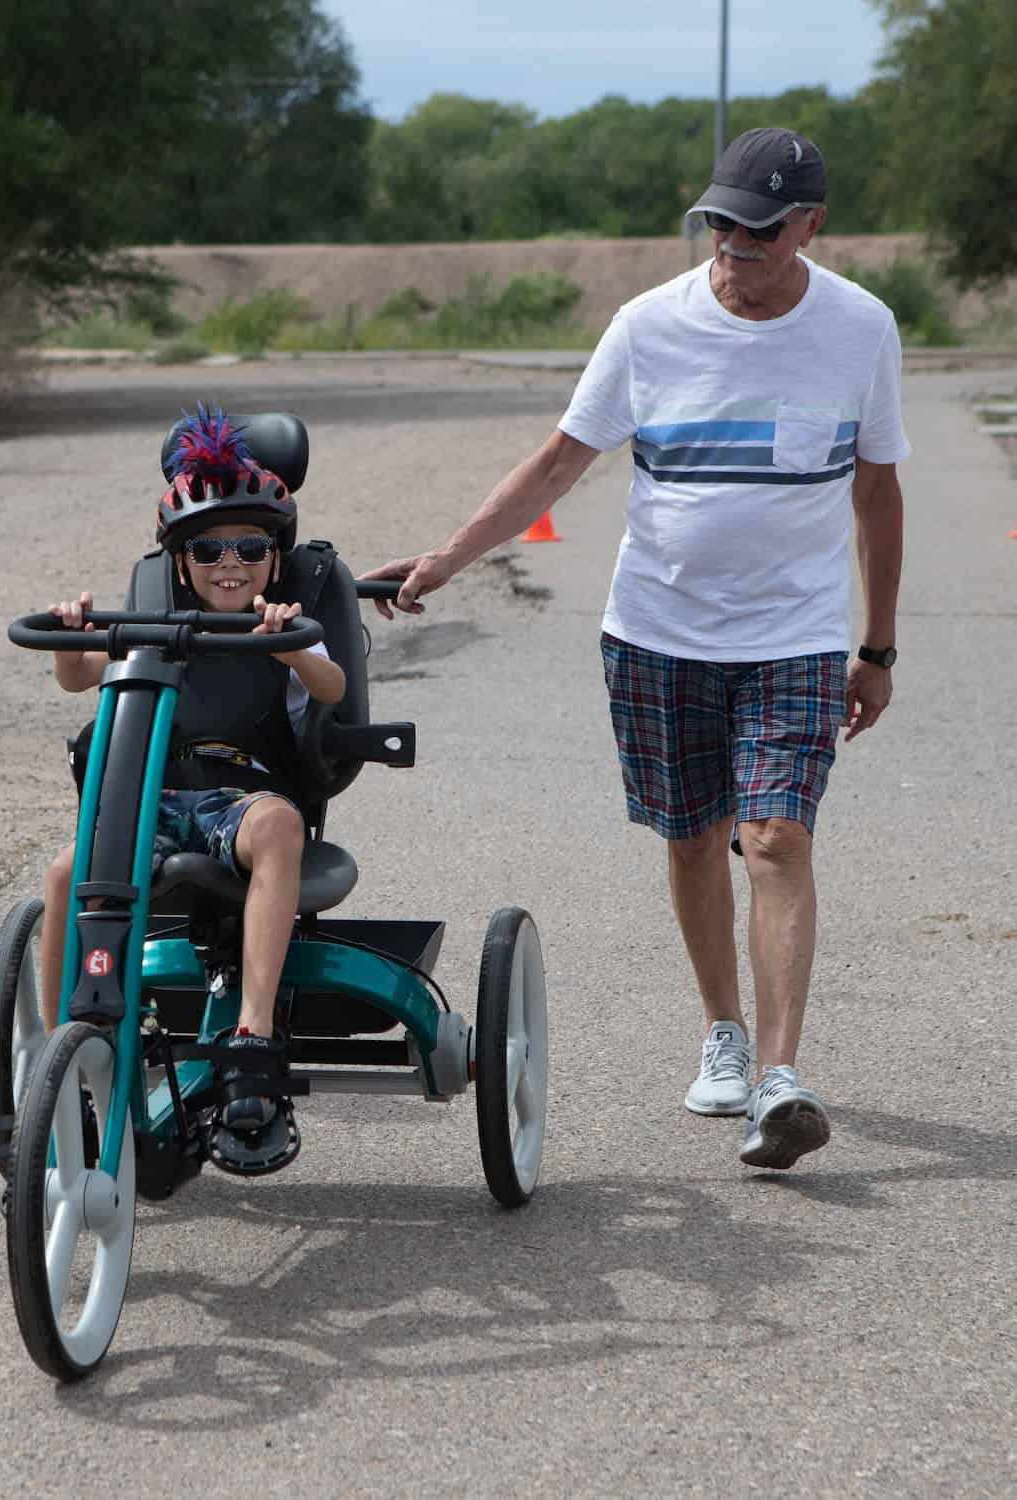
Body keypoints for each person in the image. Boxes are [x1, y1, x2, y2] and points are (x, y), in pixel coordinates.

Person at [365, 127, 907, 1170]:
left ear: (810, 227)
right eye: (720, 227)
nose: (734, 249)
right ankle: (726, 1035)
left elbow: (879, 488)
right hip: (657, 633)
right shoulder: (648, 326)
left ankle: (781, 1081)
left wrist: (876, 647)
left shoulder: (860, 329)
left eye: (757, 232)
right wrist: (449, 556)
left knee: (778, 839)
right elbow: (560, 461)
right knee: (696, 837)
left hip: (794, 638)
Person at [39, 406, 345, 1146]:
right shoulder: (150, 616)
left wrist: (292, 650)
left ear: (275, 556)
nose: (230, 564)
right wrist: (72, 636)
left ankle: (252, 1036)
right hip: (156, 798)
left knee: (276, 823)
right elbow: (80, 677)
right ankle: (57, 1059)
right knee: (60, 874)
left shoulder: (287, 623)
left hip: (243, 801)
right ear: (180, 562)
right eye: (208, 550)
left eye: (249, 547)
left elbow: (332, 689)